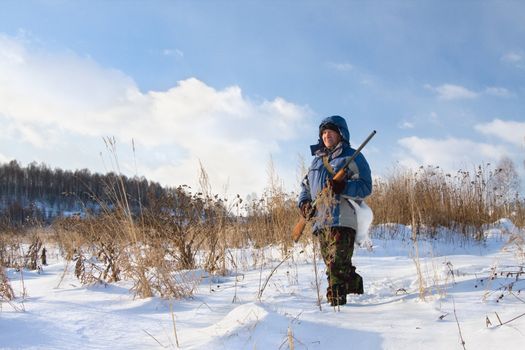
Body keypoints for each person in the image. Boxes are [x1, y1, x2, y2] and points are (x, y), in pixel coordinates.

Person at [298, 115, 372, 306]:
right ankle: (355, 284)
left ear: (341, 134)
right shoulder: (316, 163)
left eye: (330, 131)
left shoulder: (352, 156)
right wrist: (304, 203)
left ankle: (337, 311)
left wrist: (344, 188)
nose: (326, 135)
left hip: (344, 219)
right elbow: (305, 187)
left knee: (335, 267)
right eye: (323, 132)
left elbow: (365, 186)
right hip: (321, 222)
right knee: (336, 266)